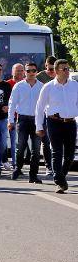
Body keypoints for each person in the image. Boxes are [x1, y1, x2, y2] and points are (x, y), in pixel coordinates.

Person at [35, 59, 78, 194]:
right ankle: (59, 181)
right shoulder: (48, 87)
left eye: (68, 68)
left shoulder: (75, 85)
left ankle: (61, 177)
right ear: (56, 71)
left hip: (70, 122)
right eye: (64, 69)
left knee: (70, 155)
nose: (67, 71)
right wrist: (39, 126)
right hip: (54, 122)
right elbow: (39, 107)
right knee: (56, 152)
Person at [8, 62, 43, 183]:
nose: (31, 73)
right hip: (22, 119)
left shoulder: (41, 86)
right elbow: (12, 104)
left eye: (33, 70)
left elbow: (45, 105)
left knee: (36, 149)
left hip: (37, 120)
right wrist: (10, 120)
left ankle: (33, 175)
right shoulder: (18, 86)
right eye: (28, 71)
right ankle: (18, 168)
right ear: (25, 72)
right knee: (21, 146)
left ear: (37, 72)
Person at [36, 55, 56, 175]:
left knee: (56, 142)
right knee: (46, 141)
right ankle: (49, 166)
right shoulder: (40, 77)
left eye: (54, 69)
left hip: (56, 113)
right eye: (50, 69)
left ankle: (56, 165)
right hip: (43, 113)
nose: (52, 72)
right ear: (46, 66)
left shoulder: (59, 76)